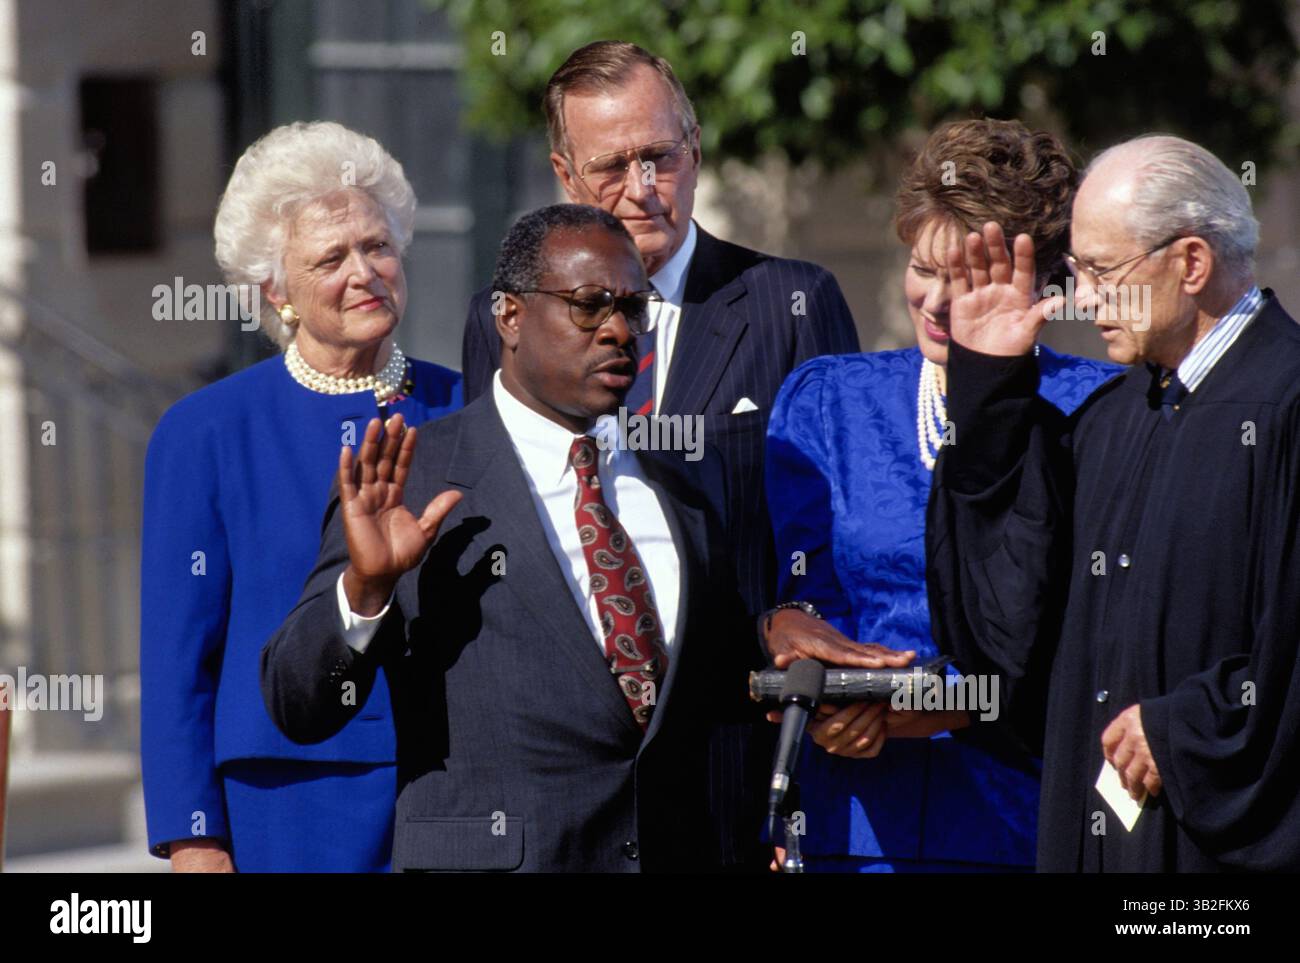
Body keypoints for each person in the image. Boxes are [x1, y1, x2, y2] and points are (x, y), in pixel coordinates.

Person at [463, 41, 861, 869]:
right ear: (565, 176)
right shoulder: (501, 320)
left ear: (696, 148)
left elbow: (835, 531)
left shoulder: (791, 303)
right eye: (612, 166)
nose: (642, 188)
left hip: (737, 767)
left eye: (660, 156)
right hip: (561, 789)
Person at [928, 133, 1300, 871]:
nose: (1084, 297)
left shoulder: (1287, 404)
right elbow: (1013, 632)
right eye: (1077, 271)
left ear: (1190, 262)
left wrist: (1189, 729)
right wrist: (991, 392)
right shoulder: (1112, 418)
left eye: (1103, 271)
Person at [764, 119, 1121, 872]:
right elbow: (800, 586)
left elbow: (1089, 641)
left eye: (967, 278)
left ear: (1039, 286)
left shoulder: (1100, 413)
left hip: (1017, 817)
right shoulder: (831, 399)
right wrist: (820, 679)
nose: (934, 299)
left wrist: (944, 707)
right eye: (924, 266)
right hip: (851, 821)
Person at [140, 121, 462, 872]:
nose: (365, 271)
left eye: (377, 245)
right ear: (275, 292)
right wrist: (195, 840)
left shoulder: (466, 402)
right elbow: (176, 660)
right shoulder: (204, 431)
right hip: (282, 807)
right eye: (331, 258)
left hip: (451, 791)